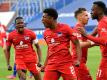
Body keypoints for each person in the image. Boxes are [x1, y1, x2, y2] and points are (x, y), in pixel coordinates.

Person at [41, 8, 82, 80]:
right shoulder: (45, 33)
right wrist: (45, 65)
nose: (42, 20)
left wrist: (78, 59)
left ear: (51, 18)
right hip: (51, 65)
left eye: (44, 17)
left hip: (66, 64)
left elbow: (77, 43)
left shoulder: (65, 28)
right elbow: (49, 49)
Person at [77, 1, 107, 80]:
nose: (91, 13)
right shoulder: (103, 22)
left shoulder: (102, 23)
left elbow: (104, 41)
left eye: (93, 10)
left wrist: (86, 35)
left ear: (100, 11)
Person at [72, 8, 94, 80]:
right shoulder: (77, 28)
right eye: (86, 15)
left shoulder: (81, 28)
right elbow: (80, 45)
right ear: (79, 17)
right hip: (78, 62)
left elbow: (87, 42)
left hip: (80, 62)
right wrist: (95, 42)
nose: (88, 17)